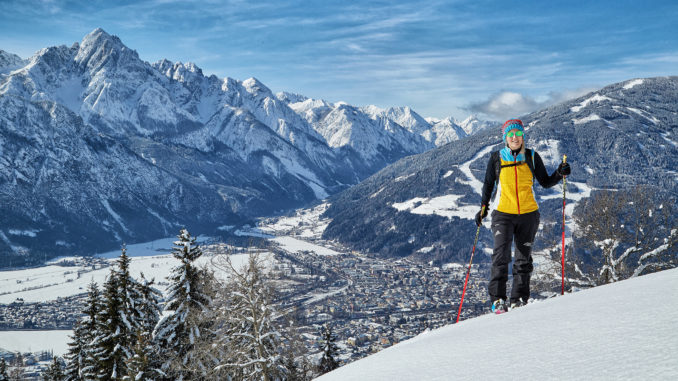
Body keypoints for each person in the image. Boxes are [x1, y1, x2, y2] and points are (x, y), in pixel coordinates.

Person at [475, 119, 570, 313]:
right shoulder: (496, 158)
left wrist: (560, 173)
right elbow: (488, 185)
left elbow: (545, 182)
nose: (514, 137)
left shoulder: (532, 157)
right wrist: (483, 208)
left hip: (528, 214)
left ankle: (518, 299)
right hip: (502, 214)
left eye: (518, 134)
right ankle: (498, 300)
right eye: (510, 135)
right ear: (505, 138)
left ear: (523, 136)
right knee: (500, 257)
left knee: (523, 259)